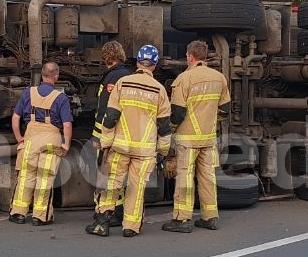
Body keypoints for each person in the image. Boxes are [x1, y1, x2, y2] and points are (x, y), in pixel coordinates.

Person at [86, 44, 172, 237]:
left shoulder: (123, 83)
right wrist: (164, 153)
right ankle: (131, 228)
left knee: (111, 183)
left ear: (138, 62)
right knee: (136, 187)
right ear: (155, 66)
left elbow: (110, 117)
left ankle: (101, 224)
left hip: (120, 147)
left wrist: (106, 143)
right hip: (145, 151)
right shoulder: (160, 90)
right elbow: (164, 127)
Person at [162, 39, 231, 233]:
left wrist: (172, 129)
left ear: (190, 56)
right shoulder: (219, 78)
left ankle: (182, 220)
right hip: (208, 139)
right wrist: (210, 121)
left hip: (188, 139)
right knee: (208, 177)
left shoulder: (184, 79)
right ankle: (210, 217)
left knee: (185, 178)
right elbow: (225, 109)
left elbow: (177, 112)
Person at [9, 62, 73, 225]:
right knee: (44, 178)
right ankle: (40, 216)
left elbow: (15, 118)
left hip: (30, 138)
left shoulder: (28, 92)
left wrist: (19, 138)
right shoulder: (61, 98)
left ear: (42, 75)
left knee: (26, 176)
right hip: (51, 140)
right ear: (56, 77)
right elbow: (66, 124)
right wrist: (66, 144)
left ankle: (18, 213)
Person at [91, 40, 132, 226]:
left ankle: (104, 213)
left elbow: (104, 109)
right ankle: (119, 210)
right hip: (126, 134)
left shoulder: (111, 78)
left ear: (106, 57)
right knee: (119, 175)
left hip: (109, 135)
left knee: (105, 173)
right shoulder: (129, 75)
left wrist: (97, 136)